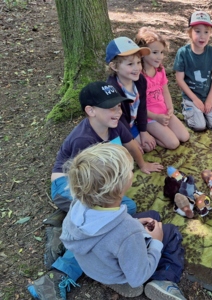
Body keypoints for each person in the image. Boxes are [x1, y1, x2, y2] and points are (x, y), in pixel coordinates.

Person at [27, 82, 163, 300]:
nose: (118, 112)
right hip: (69, 184)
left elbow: (131, 144)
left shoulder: (115, 124)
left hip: (91, 186)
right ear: (90, 111)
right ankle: (59, 273)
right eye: (111, 107)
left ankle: (70, 218)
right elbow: (89, 185)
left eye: (119, 106)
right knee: (116, 214)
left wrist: (143, 163)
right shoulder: (84, 139)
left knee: (123, 208)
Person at [59, 143, 185, 299]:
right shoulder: (128, 231)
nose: (133, 172)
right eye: (131, 170)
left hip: (97, 267)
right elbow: (137, 274)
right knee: (170, 232)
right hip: (125, 274)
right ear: (120, 186)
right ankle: (163, 280)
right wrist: (156, 243)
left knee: (153, 216)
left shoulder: (77, 206)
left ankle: (112, 277)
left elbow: (108, 236)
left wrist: (136, 225)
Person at [134, 27, 190, 149]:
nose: (159, 57)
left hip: (163, 113)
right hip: (149, 118)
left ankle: (162, 132)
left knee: (184, 136)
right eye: (155, 52)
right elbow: (138, 105)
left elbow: (165, 91)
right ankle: (149, 134)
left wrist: (170, 108)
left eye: (162, 52)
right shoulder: (138, 76)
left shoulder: (160, 70)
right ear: (142, 54)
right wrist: (156, 117)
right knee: (173, 143)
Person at [173, 11, 212, 132]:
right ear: (190, 32)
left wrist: (209, 99)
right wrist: (195, 100)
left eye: (206, 32)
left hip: (207, 96)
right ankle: (187, 109)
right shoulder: (183, 52)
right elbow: (179, 79)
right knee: (199, 126)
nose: (202, 36)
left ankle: (203, 113)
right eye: (197, 31)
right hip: (191, 97)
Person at [106, 36, 158, 153]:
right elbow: (119, 120)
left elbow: (142, 106)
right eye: (130, 64)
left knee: (147, 147)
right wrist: (130, 140)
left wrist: (143, 131)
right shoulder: (113, 89)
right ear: (114, 67)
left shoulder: (140, 81)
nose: (137, 68)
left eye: (139, 62)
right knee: (137, 152)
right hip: (115, 128)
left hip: (130, 124)